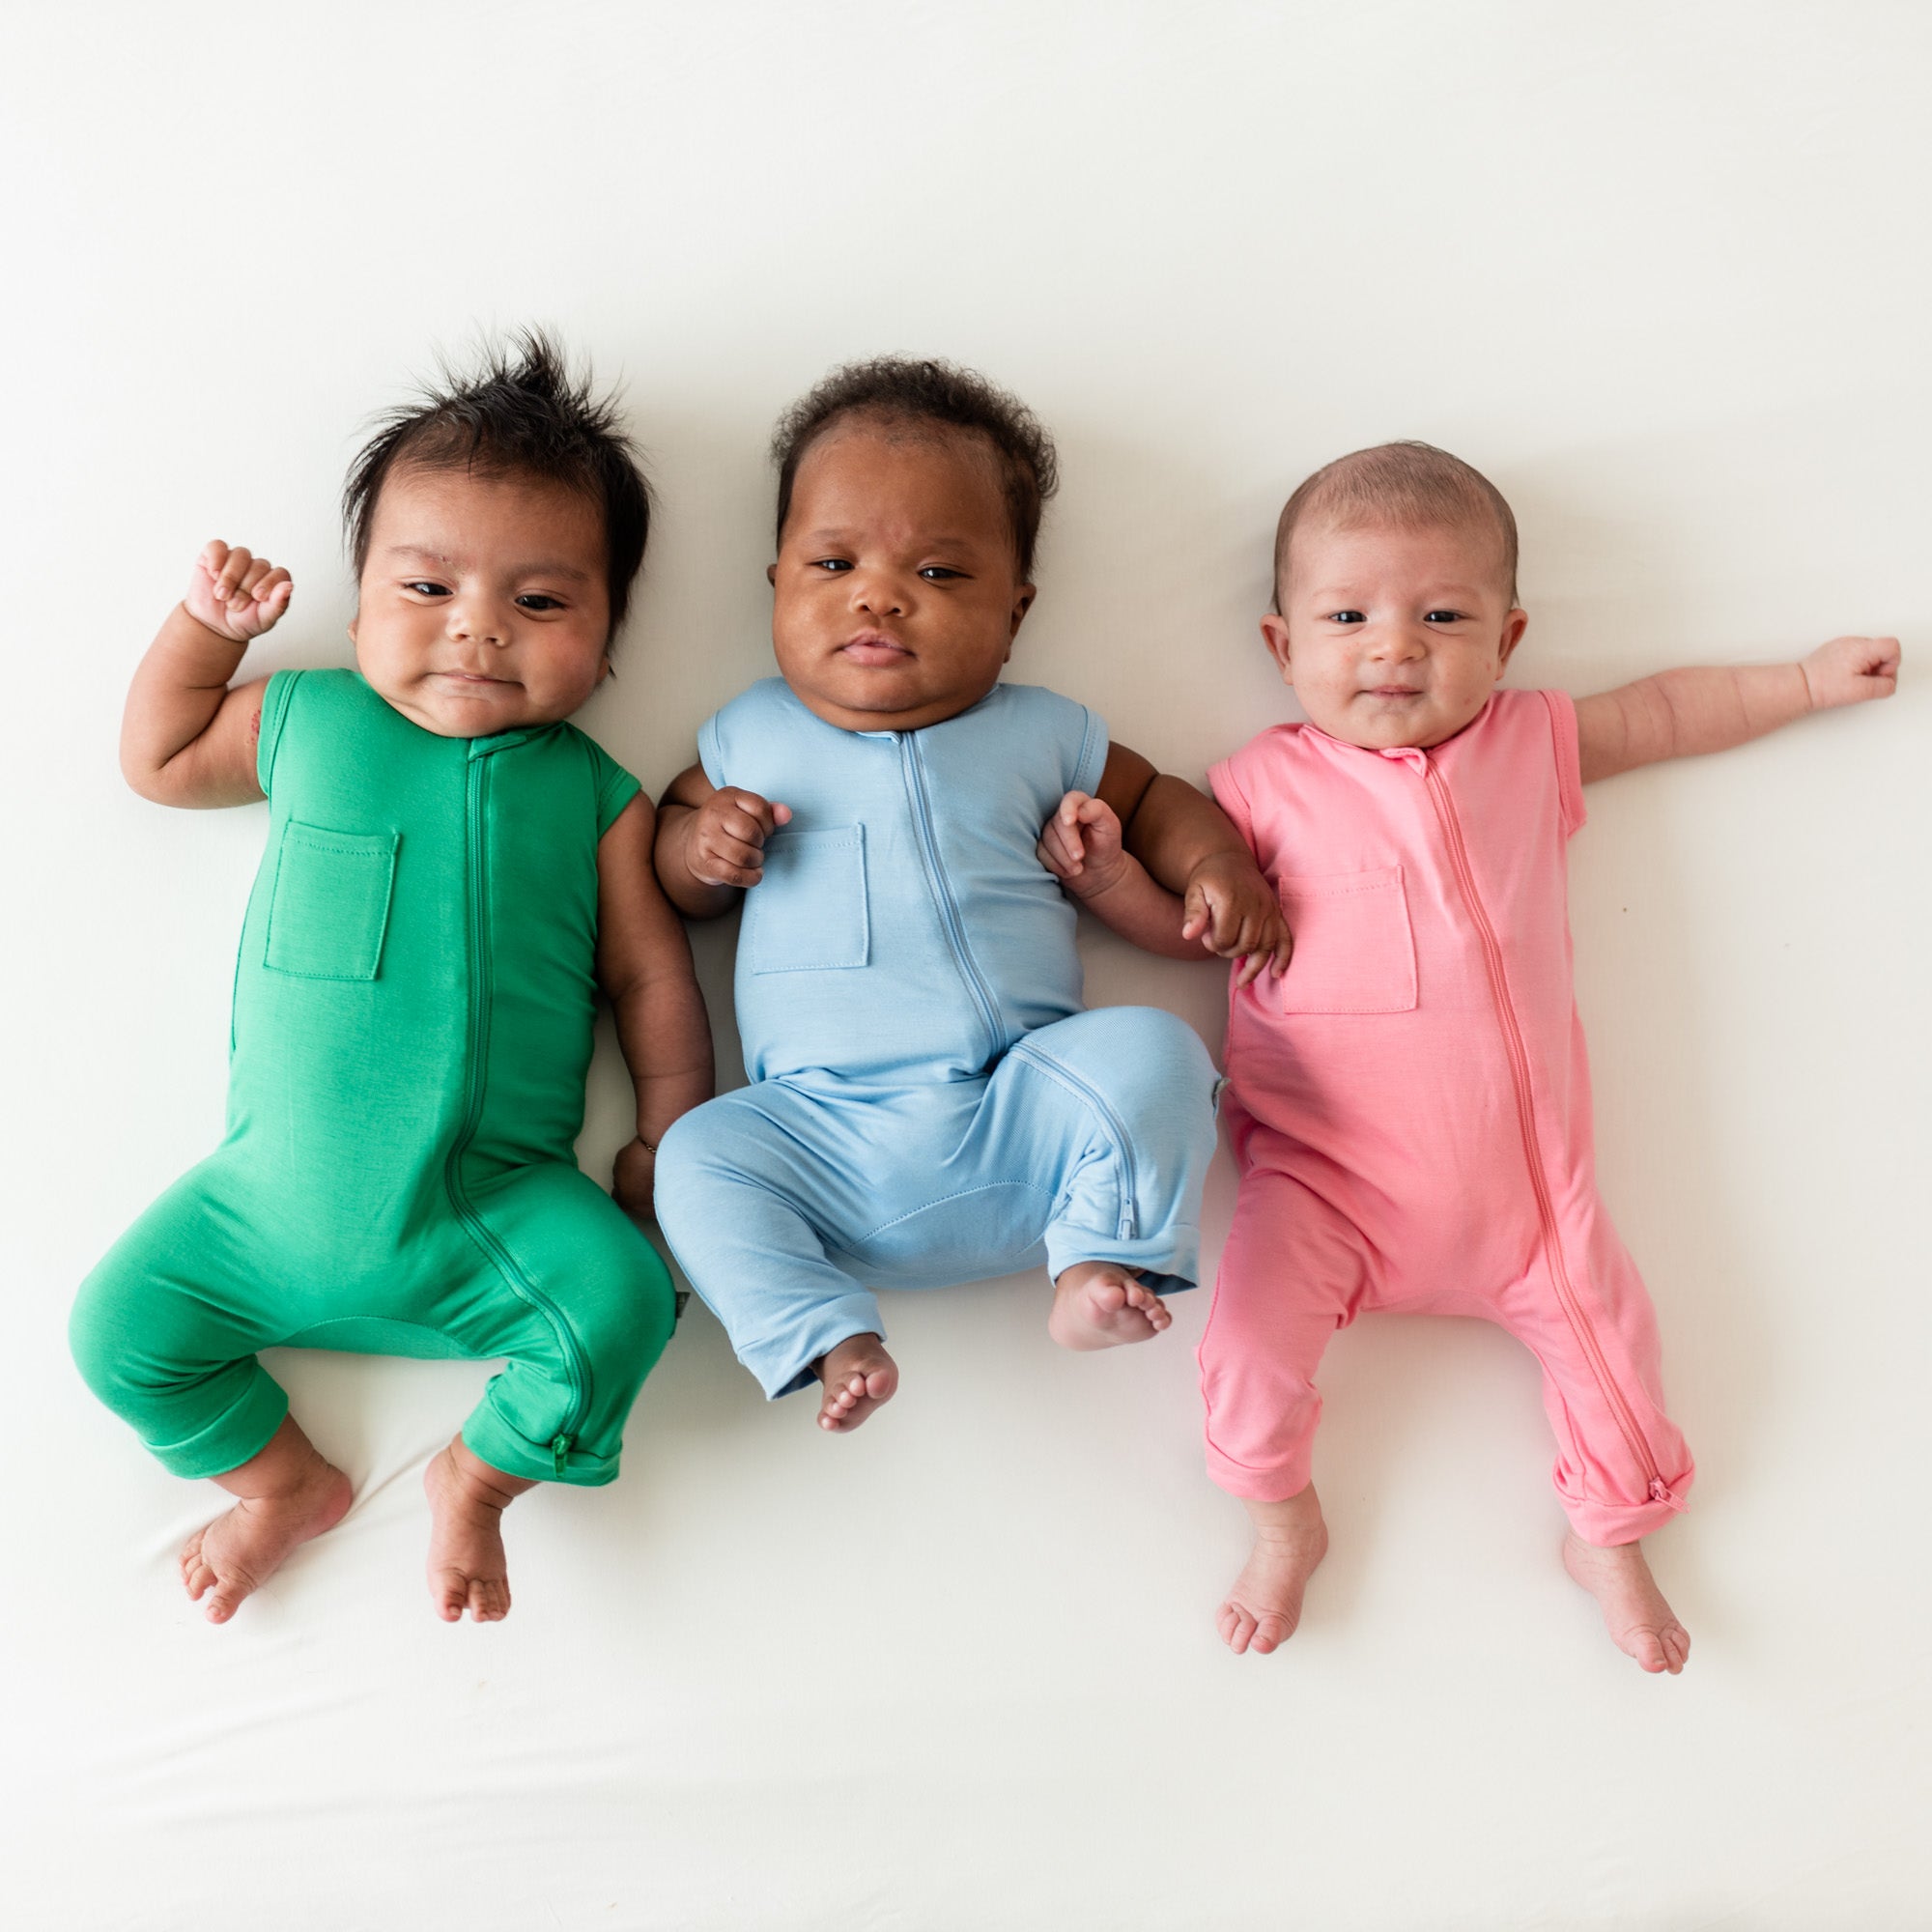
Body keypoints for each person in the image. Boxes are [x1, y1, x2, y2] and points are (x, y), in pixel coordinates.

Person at [1181, 440, 1898, 1668]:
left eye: (1440, 616)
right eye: (1346, 615)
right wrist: (1118, 863)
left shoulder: (1526, 743)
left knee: (1622, 1371)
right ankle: (1278, 1512)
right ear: (1279, 642)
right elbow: (1166, 879)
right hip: (1320, 1183)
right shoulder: (1252, 787)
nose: (1393, 646)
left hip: (1529, 1200)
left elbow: (1664, 712)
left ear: (1506, 641)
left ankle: (1607, 1536)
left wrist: (1802, 682)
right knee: (1243, 1354)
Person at [71, 334, 711, 1625]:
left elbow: (651, 979)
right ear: (358, 604)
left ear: (607, 638)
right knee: (115, 1334)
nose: (477, 627)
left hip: (493, 1211)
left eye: (540, 603)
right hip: (257, 1210)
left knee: (628, 1304)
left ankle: (477, 1477)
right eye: (427, 589)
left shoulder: (594, 795)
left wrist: (670, 1135)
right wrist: (205, 631)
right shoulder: (307, 716)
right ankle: (280, 1484)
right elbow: (157, 756)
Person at [652, 358, 1288, 1432]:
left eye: (940, 573)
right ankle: (823, 1328)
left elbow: (1157, 799)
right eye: (834, 560)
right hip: (819, 1138)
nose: (879, 593)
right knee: (697, 1157)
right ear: (776, 584)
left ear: (1014, 607)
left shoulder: (1041, 731)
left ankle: (1097, 1263)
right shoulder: (746, 733)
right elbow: (673, 868)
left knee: (1155, 1048)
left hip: (1021, 1113)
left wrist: (1217, 865)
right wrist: (699, 851)